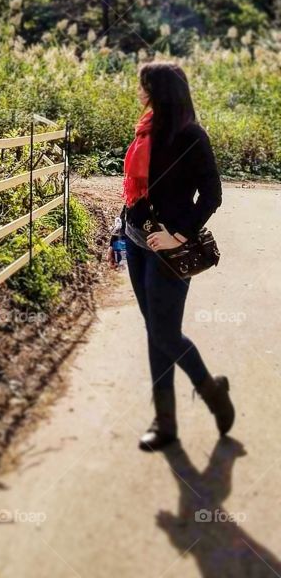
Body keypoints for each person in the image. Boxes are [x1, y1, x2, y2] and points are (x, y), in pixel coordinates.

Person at [120, 61, 234, 451]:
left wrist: (178, 234)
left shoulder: (191, 135)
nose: (140, 92)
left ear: (158, 90)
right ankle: (165, 422)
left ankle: (210, 389)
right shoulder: (146, 129)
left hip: (169, 248)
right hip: (136, 241)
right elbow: (134, 192)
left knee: (165, 332)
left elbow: (212, 194)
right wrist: (120, 235)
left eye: (144, 86)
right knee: (155, 329)